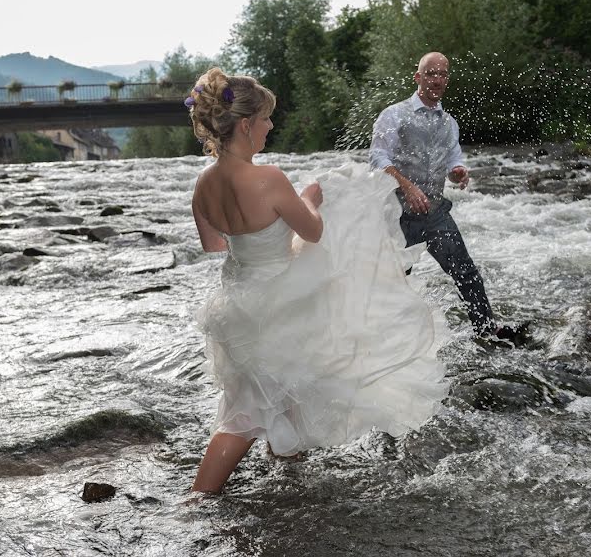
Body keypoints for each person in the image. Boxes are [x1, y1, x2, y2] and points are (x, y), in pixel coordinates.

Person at [188, 67, 449, 494]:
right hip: (276, 299)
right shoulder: (268, 178)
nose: (271, 126)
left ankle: (288, 466)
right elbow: (312, 231)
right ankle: (198, 499)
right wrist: (309, 198)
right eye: (267, 119)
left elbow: (215, 244)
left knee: (277, 385)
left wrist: (255, 242)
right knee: (242, 415)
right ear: (247, 124)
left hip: (237, 298)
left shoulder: (203, 183)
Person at [370, 51, 525, 343]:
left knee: (467, 274)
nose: (437, 79)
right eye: (431, 73)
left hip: (435, 213)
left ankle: (487, 332)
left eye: (443, 74)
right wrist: (407, 185)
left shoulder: (449, 124)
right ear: (418, 77)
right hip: (398, 216)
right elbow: (377, 159)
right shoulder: (394, 115)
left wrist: (458, 174)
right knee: (394, 283)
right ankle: (382, 344)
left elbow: (454, 161)